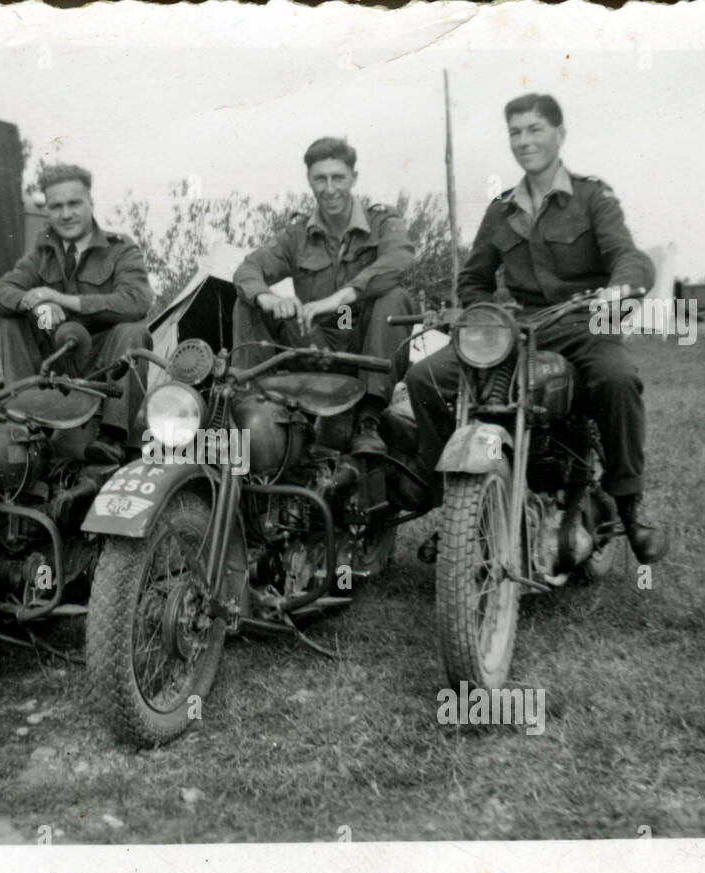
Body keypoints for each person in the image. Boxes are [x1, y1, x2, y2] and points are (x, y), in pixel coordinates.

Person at [405, 93, 668, 562]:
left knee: (618, 380)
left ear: (559, 134)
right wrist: (485, 315)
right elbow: (473, 277)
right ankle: (457, 512)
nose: (524, 141)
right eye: (515, 132)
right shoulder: (501, 209)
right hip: (518, 327)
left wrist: (621, 287)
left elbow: (628, 255)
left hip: (584, 323)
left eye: (534, 129)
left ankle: (629, 506)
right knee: (424, 378)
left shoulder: (592, 197)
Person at [232, 137, 417, 456]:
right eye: (320, 178)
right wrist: (271, 299)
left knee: (394, 298)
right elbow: (249, 269)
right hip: (315, 343)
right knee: (248, 302)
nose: (329, 188)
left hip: (363, 345)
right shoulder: (297, 234)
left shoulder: (381, 222)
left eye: (338, 177)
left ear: (353, 179)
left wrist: (342, 297)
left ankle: (368, 421)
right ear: (309, 180)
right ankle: (250, 410)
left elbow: (401, 258)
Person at [0, 163, 154, 465]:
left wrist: (61, 299)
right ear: (47, 211)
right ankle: (24, 415)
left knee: (133, 331)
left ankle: (112, 436)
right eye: (56, 206)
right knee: (11, 316)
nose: (66, 214)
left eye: (74, 203)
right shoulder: (41, 255)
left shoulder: (121, 250)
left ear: (91, 202)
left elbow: (137, 301)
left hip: (105, 367)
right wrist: (34, 303)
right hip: (56, 362)